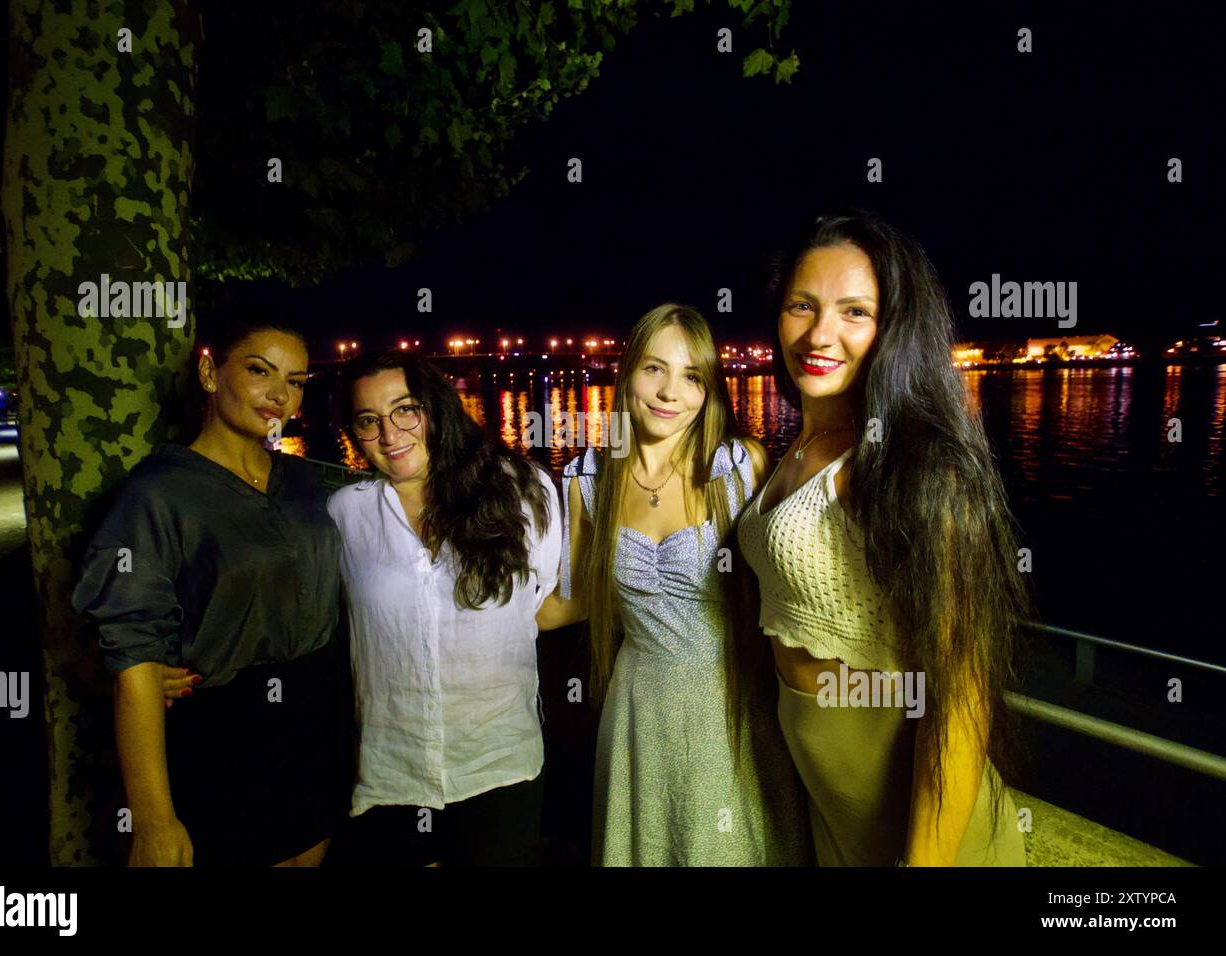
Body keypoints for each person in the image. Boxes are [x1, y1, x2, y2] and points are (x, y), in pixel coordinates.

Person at [736, 211, 1029, 866]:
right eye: (802, 306)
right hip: (827, 801)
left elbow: (961, 693)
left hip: (917, 820)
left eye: (855, 312)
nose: (820, 334)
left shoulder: (919, 464)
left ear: (895, 327)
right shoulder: (797, 449)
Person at [71, 308, 352, 866]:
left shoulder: (304, 481)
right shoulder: (157, 495)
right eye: (259, 370)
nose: (280, 395)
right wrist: (153, 819)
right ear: (208, 372)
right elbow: (132, 654)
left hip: (320, 716)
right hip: (229, 733)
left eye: (296, 381)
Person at [540, 303, 809, 866]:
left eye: (692, 377)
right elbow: (574, 601)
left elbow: (791, 587)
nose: (670, 393)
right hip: (639, 709)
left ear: (709, 391)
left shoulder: (742, 467)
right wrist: (472, 612)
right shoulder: (588, 480)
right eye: (654, 369)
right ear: (627, 374)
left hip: (734, 704)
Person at [327, 350, 561, 866]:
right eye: (368, 421)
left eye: (405, 410)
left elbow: (540, 603)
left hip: (500, 765)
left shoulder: (521, 492)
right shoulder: (346, 515)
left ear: (435, 408)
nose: (390, 434)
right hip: (393, 771)